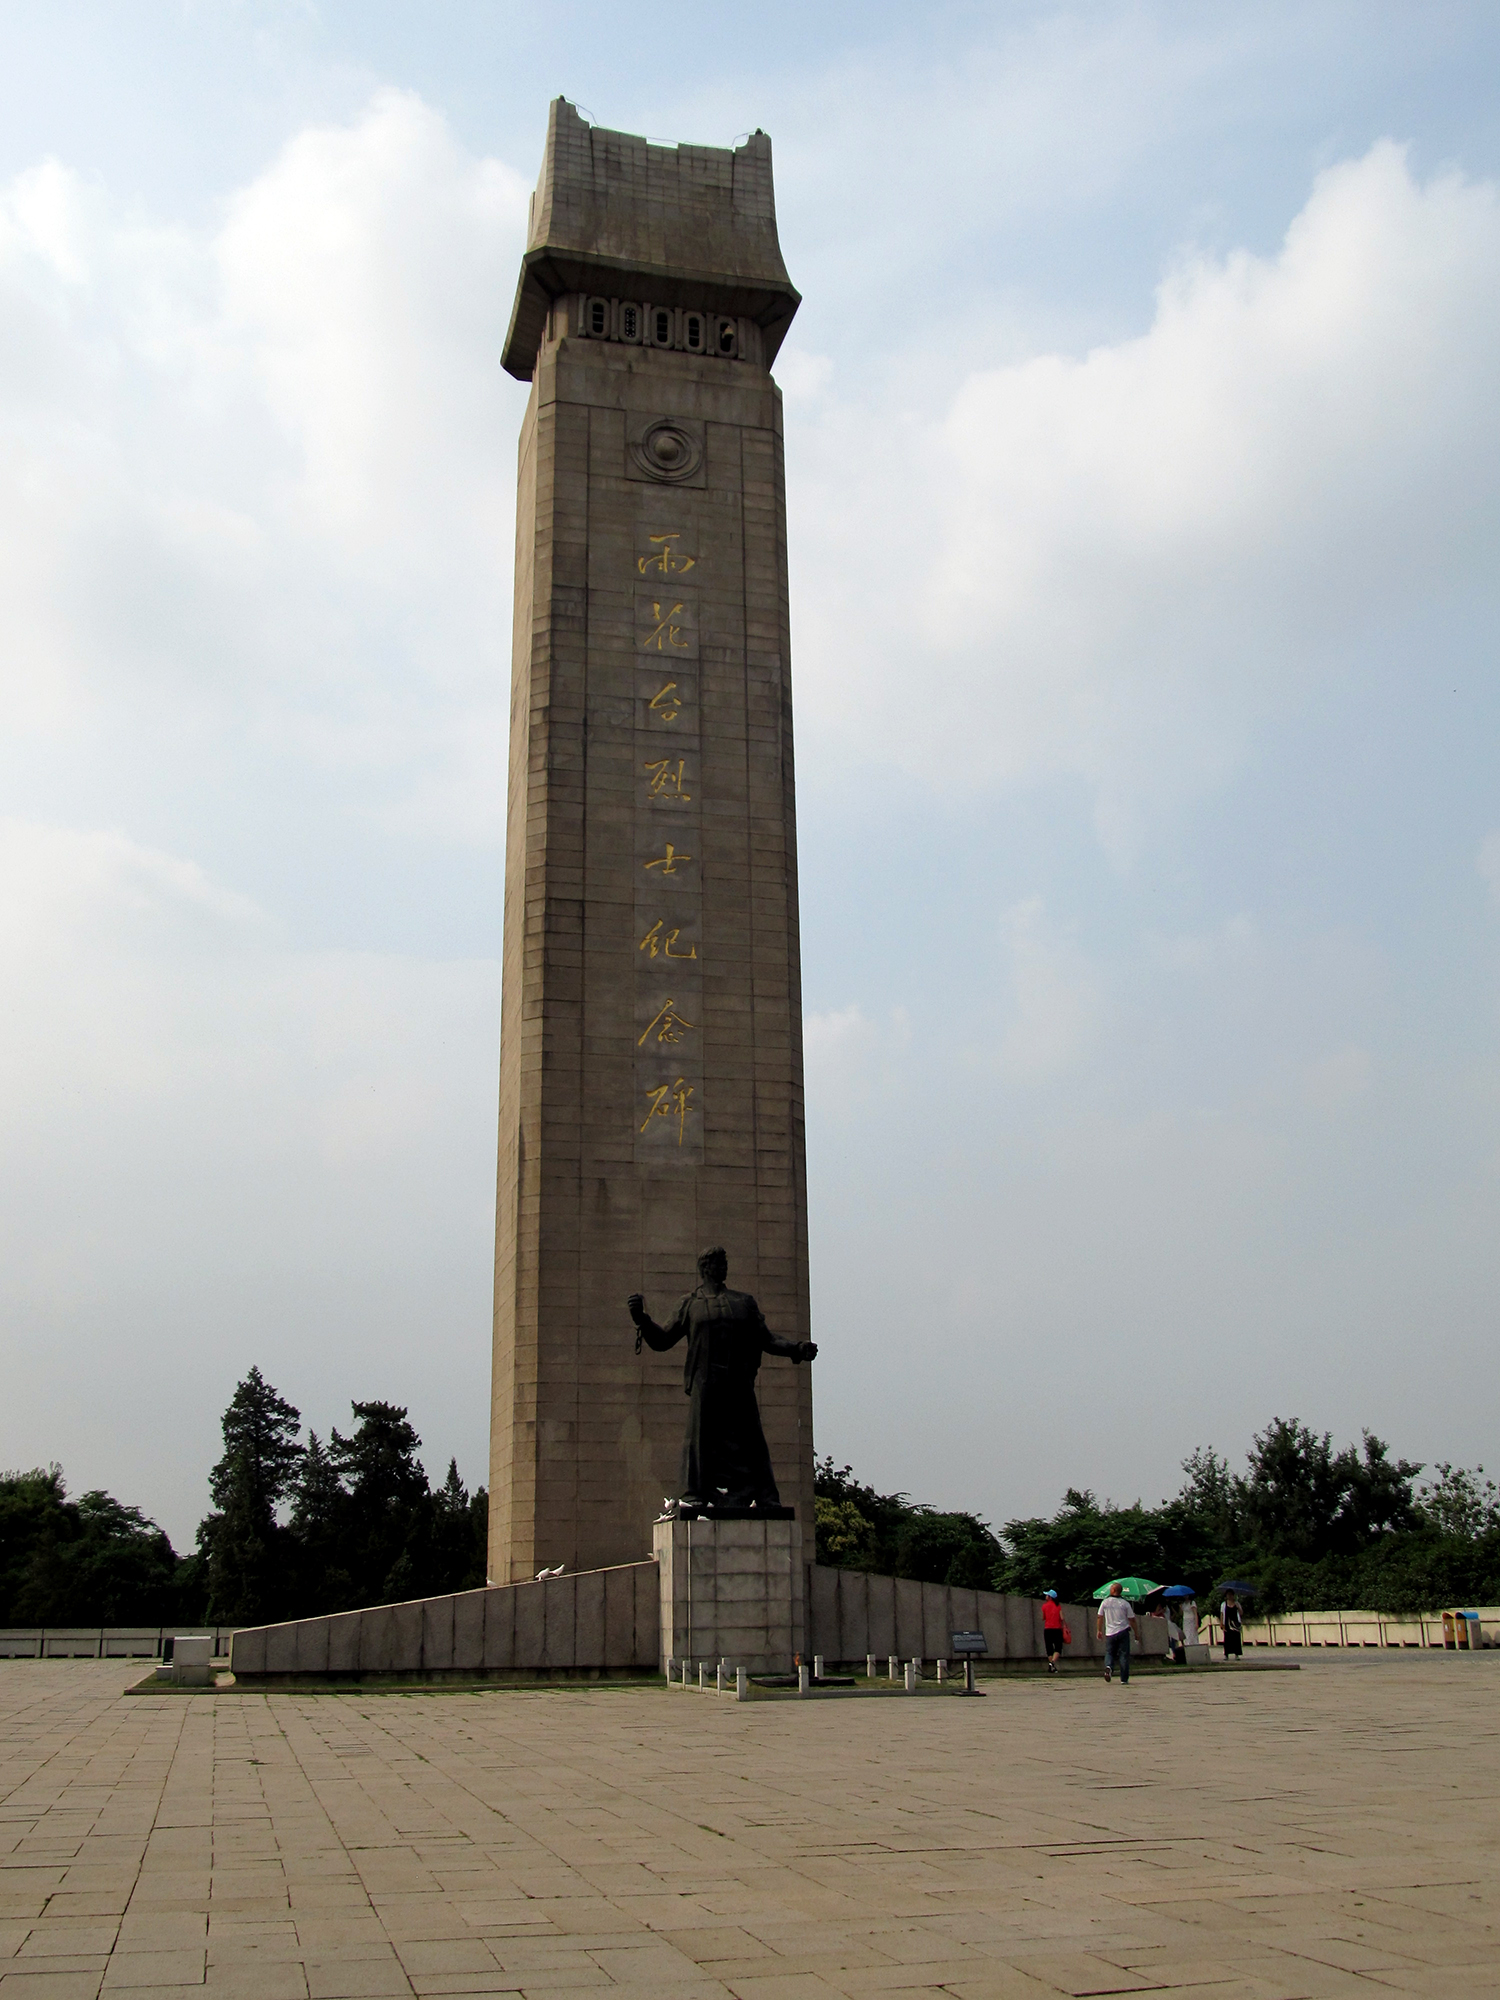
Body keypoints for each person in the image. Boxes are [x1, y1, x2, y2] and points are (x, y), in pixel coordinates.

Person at [628, 1247, 816, 1511]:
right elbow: (663, 1340)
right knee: (699, 1438)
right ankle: (694, 1495)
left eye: (725, 1262)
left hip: (738, 1381)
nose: (724, 1267)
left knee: (751, 1437)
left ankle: (764, 1495)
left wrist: (796, 1349)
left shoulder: (743, 1302)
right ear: (705, 1268)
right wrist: (642, 1320)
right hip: (705, 1381)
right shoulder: (690, 1304)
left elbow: (767, 1339)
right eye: (718, 1263)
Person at [1095, 1582, 1138, 1684]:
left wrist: (1099, 1630)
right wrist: (1136, 1633)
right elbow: (1132, 1619)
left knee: (1109, 1652)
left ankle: (1109, 1667)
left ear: (1113, 1590)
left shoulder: (1105, 1602)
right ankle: (1124, 1678)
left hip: (1110, 1632)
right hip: (1123, 1631)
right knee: (1123, 1655)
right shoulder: (1125, 1603)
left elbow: (1099, 1616)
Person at [1042, 1591, 1068, 1672]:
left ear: (1050, 1597)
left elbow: (1043, 1617)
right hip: (1057, 1629)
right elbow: (1062, 1618)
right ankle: (1052, 1663)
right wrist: (1064, 1626)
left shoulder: (1044, 1606)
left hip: (1047, 1629)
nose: (1045, 1596)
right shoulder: (1058, 1606)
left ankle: (1051, 1665)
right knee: (1058, 1648)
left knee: (1049, 1648)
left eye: (1047, 1595)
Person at [1220, 1590, 1244, 1660]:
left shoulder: (1237, 1603)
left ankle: (1237, 1654)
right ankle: (1226, 1654)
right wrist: (1221, 1623)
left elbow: (1241, 1613)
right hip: (1227, 1624)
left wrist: (1238, 1607)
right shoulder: (1223, 1604)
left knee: (1236, 1639)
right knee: (1227, 1639)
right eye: (1228, 1595)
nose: (1229, 1596)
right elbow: (1221, 1614)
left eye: (1231, 1595)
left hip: (1235, 1624)